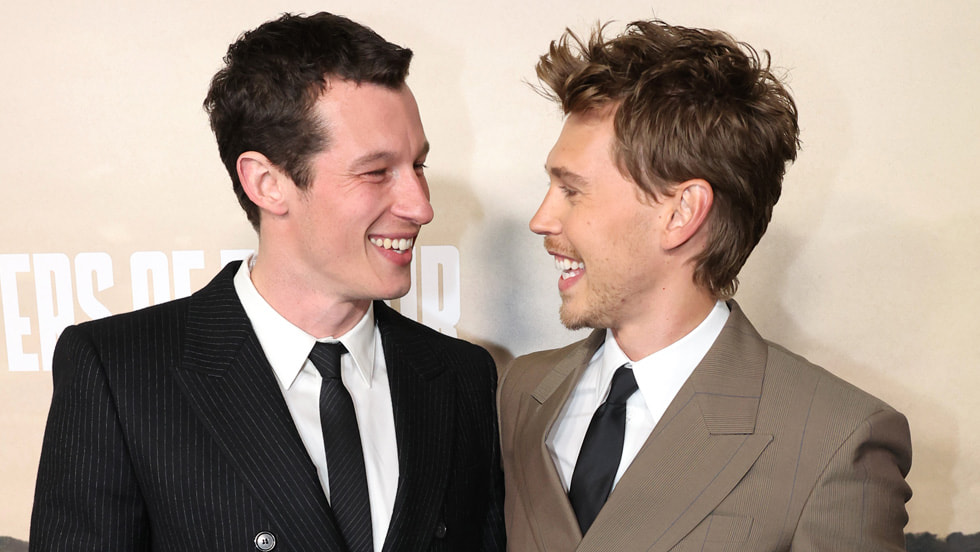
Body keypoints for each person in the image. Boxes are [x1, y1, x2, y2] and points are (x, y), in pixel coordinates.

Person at [30, 12, 504, 552]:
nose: (421, 205)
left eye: (417, 165)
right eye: (376, 172)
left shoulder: (464, 379)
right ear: (267, 183)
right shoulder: (120, 374)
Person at [499, 19, 912, 551]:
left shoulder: (836, 440)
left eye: (572, 191)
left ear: (682, 212)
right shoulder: (520, 392)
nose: (541, 219)